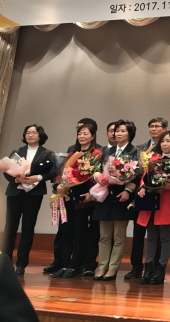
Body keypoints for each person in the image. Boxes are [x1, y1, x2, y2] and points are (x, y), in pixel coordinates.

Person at [45, 117, 102, 275]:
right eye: (80, 133)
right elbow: (62, 173)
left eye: (85, 133)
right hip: (67, 198)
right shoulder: (72, 153)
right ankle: (63, 264)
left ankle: (75, 265)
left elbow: (95, 177)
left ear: (92, 136)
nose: (82, 136)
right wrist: (59, 185)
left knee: (79, 233)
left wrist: (90, 192)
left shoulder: (97, 154)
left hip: (83, 200)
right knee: (65, 231)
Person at [2, 124, 57, 275]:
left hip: (33, 194)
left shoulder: (47, 153)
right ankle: (5, 262)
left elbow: (53, 171)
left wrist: (37, 178)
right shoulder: (17, 151)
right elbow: (6, 170)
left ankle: (21, 264)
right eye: (27, 132)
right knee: (10, 227)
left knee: (28, 227)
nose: (30, 135)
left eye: (33, 132)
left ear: (40, 135)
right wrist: (16, 179)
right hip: (15, 192)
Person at [92, 119, 139, 281]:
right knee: (104, 235)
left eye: (122, 131)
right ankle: (102, 265)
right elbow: (96, 169)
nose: (118, 133)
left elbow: (137, 175)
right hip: (105, 195)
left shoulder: (135, 152)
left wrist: (128, 190)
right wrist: (98, 176)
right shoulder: (107, 151)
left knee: (118, 236)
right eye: (116, 131)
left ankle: (112, 268)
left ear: (130, 134)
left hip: (121, 196)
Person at [136, 130, 170, 285]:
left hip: (168, 201)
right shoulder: (153, 158)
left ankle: (160, 270)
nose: (164, 144)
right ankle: (148, 269)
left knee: (164, 237)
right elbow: (145, 178)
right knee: (151, 236)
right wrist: (142, 187)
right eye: (162, 141)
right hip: (151, 200)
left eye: (168, 141)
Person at [125, 117, 168, 280]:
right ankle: (136, 267)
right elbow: (134, 172)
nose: (153, 129)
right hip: (141, 194)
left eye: (157, 126)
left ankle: (155, 268)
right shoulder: (140, 148)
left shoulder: (167, 148)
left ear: (164, 129)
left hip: (160, 195)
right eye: (151, 126)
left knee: (156, 233)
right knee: (138, 232)